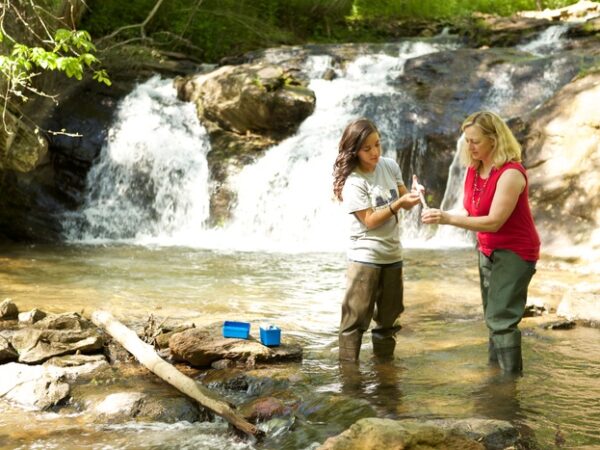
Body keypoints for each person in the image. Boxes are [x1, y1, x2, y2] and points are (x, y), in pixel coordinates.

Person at [421, 111, 540, 374]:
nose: (469, 146)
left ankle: (509, 385)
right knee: (493, 317)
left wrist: (448, 218)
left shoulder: (511, 174)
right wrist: (441, 217)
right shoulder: (474, 169)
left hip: (516, 250)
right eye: (467, 140)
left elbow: (494, 221)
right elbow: (469, 211)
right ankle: (495, 375)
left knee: (501, 319)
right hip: (486, 249)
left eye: (475, 141)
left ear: (495, 139)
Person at [333, 117, 421, 362]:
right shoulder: (354, 181)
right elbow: (370, 221)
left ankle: (385, 376)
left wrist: (415, 196)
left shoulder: (390, 166)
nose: (375, 152)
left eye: (377, 145)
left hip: (393, 256)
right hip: (365, 258)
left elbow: (406, 201)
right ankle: (349, 384)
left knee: (388, 323)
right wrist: (399, 203)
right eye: (367, 148)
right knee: (354, 324)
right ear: (354, 151)